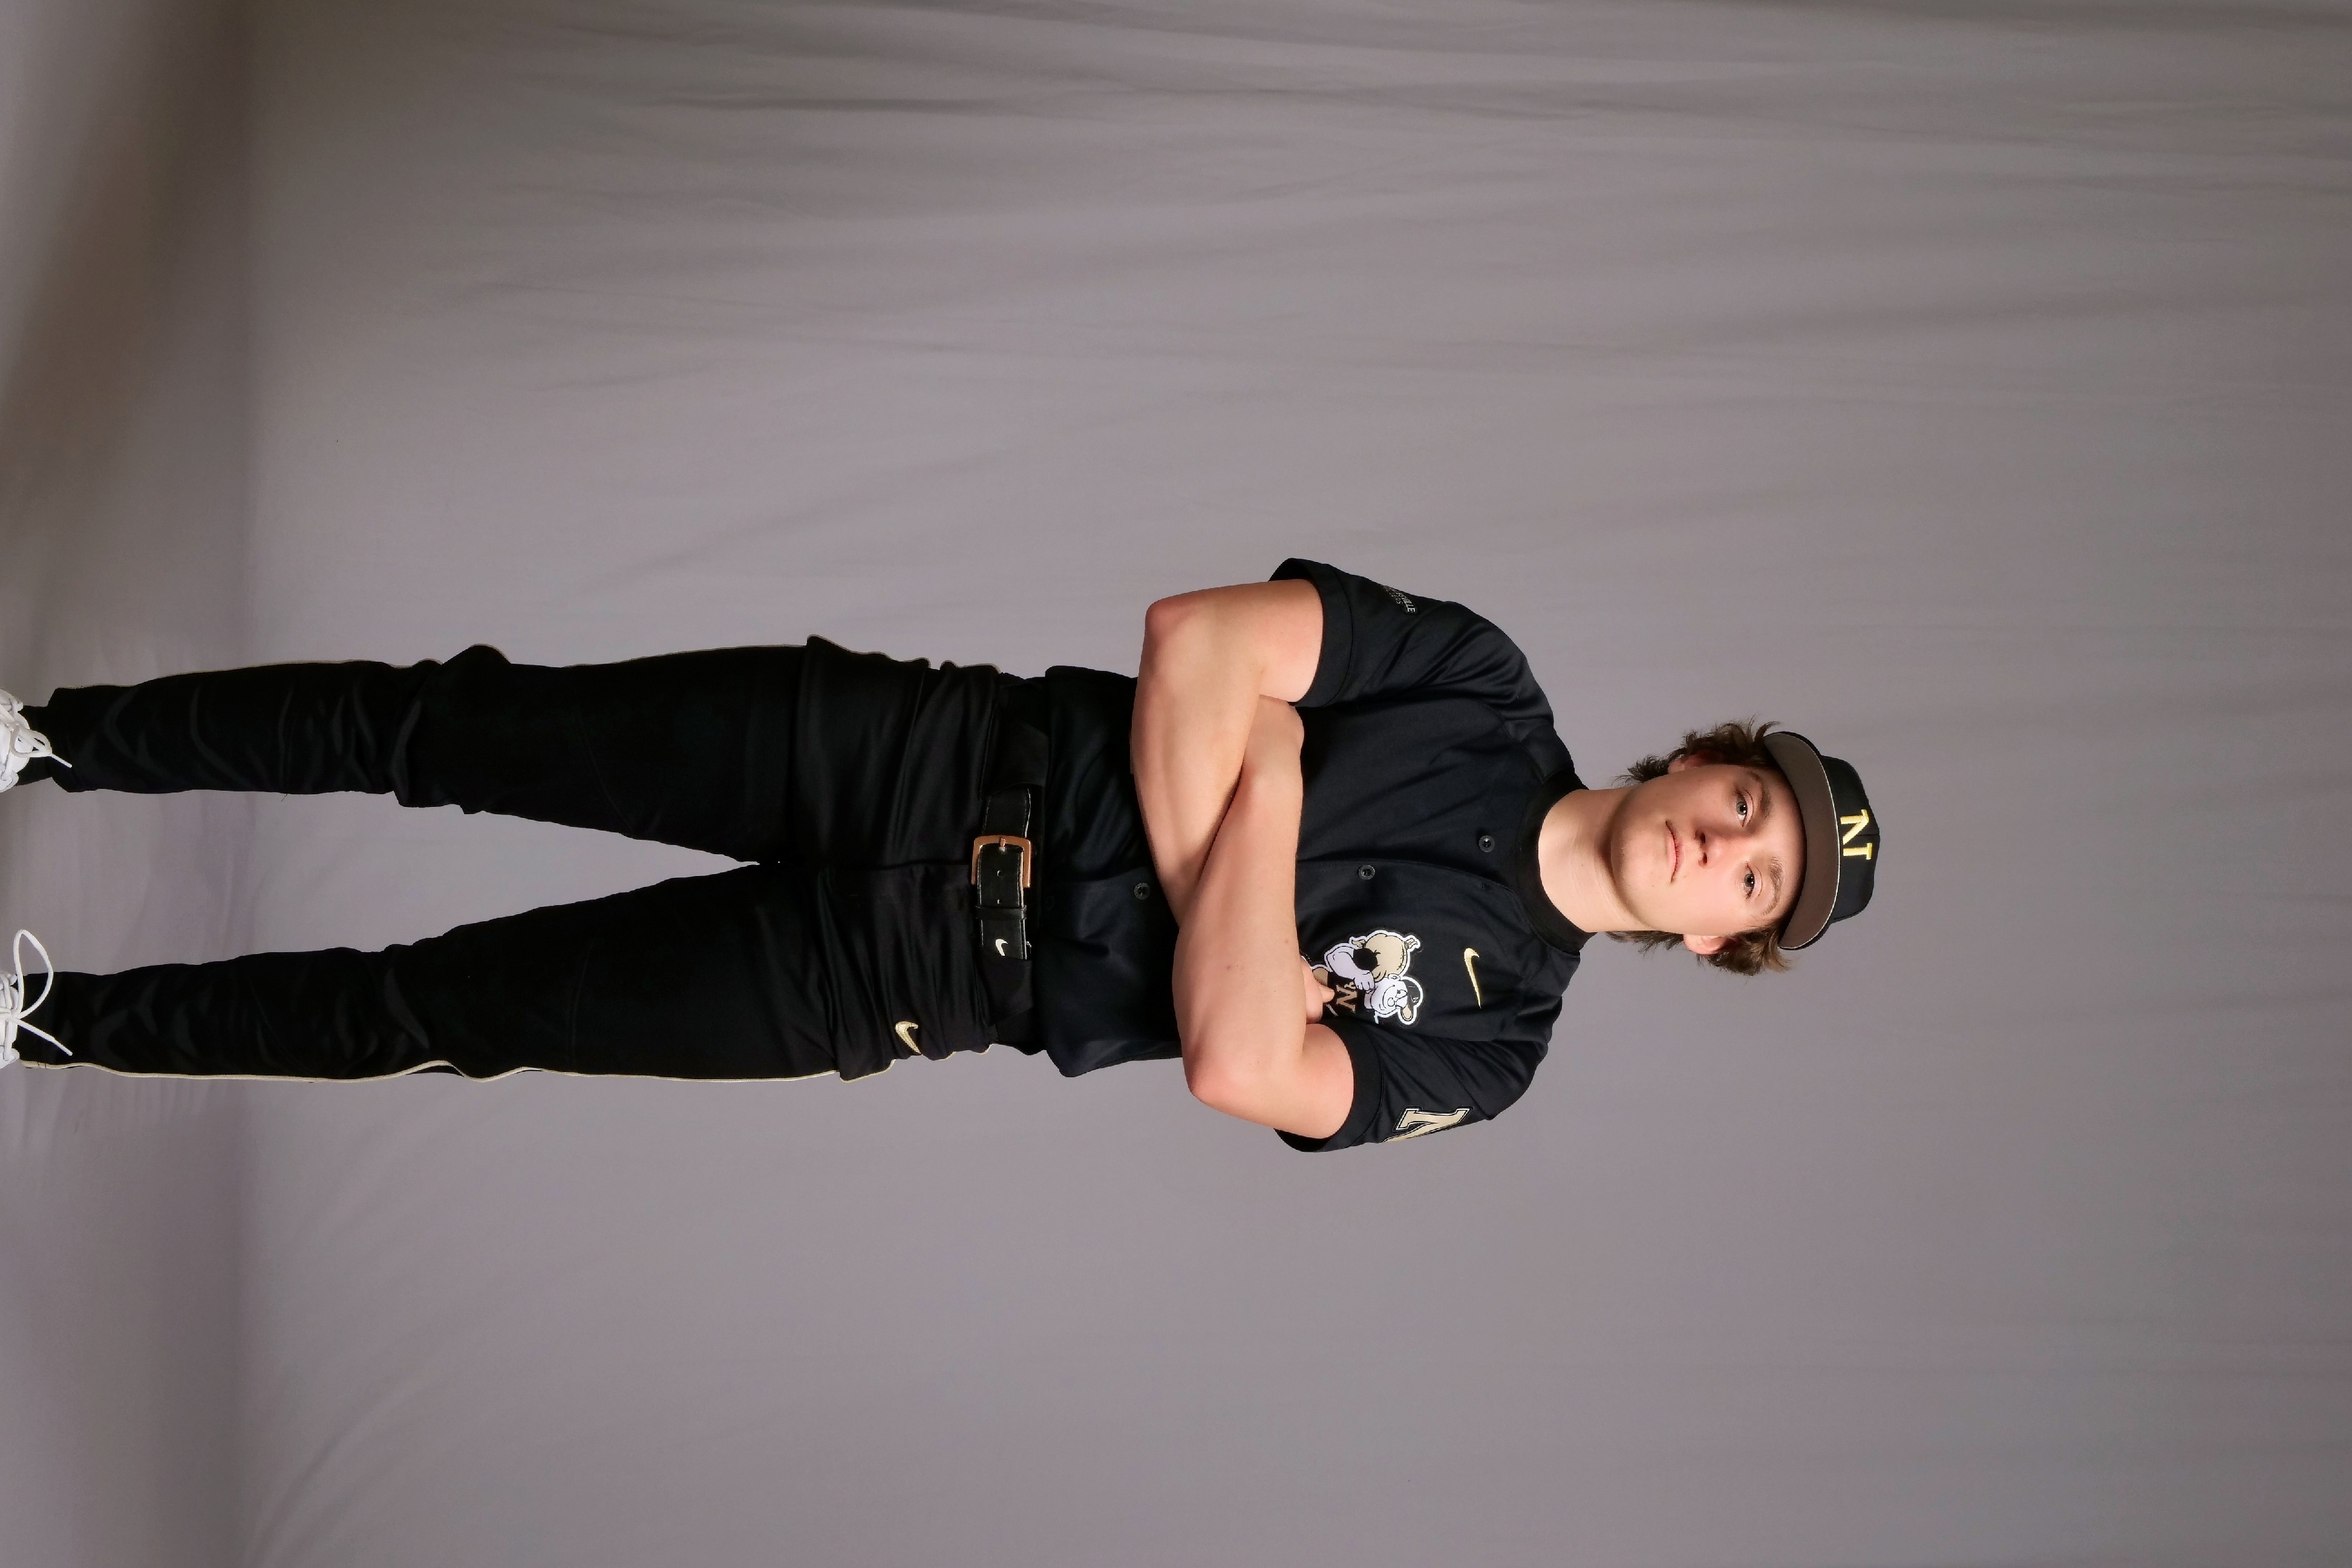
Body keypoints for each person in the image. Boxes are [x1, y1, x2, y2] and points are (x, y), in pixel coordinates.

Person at [0, 559, 1880, 1151]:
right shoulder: (1479, 682)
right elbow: (1194, 642)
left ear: (1726, 943)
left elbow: (1242, 1069)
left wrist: (1272, 788)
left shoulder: (1498, 1038)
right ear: (1706, 760)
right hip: (914, 749)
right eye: (1747, 804)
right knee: (454, 727)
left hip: (904, 987)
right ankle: (57, 735)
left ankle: (56, 1023)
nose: (1723, 846)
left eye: (1756, 880)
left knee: (448, 1011)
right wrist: (1237, 928)